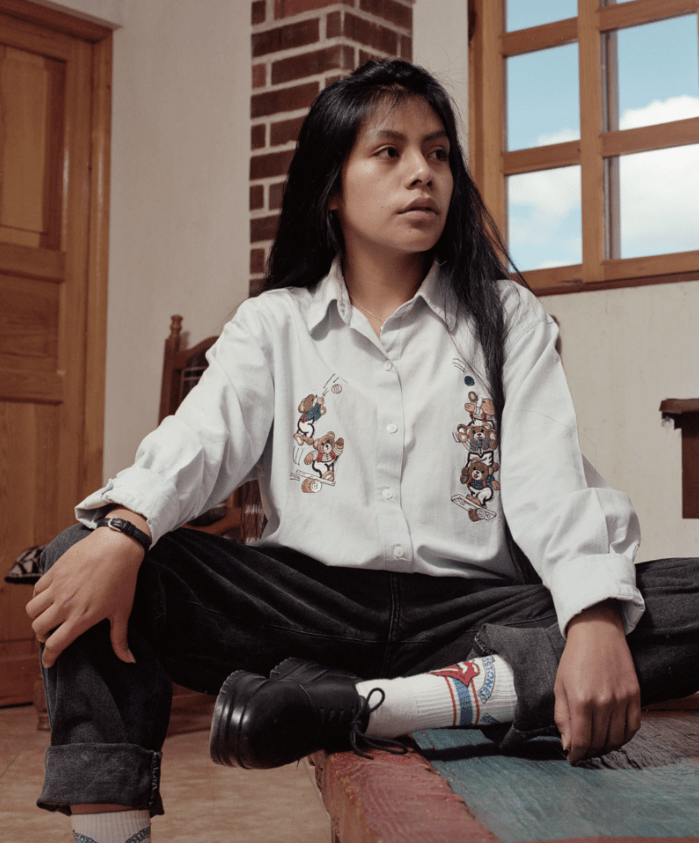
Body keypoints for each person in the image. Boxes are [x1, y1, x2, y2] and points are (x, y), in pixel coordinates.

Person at [27, 59, 699, 843]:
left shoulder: (505, 316)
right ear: (333, 187)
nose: (423, 173)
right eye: (389, 152)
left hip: (470, 616)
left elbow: (548, 482)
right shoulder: (272, 324)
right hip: (306, 613)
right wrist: (126, 528)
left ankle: (368, 703)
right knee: (88, 555)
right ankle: (111, 835)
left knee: (666, 597)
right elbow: (198, 440)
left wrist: (589, 616)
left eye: (439, 153)